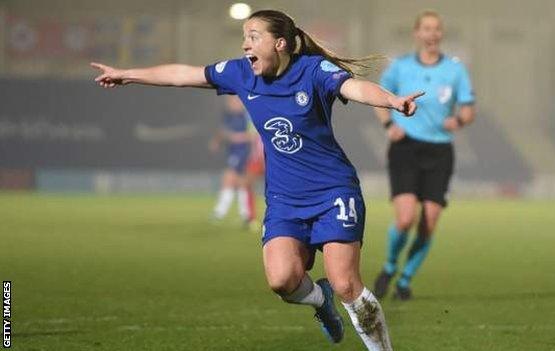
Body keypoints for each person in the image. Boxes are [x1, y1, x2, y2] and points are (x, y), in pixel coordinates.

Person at [91, 9, 424, 350]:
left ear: (279, 43)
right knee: (282, 280)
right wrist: (128, 74)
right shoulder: (240, 74)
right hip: (283, 199)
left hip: (332, 191)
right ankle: (320, 302)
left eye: (253, 36)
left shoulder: (312, 70)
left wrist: (392, 101)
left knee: (346, 284)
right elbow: (182, 74)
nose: (245, 44)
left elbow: (355, 87)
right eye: (244, 37)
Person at [372, 10, 476, 301]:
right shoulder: (401, 67)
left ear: (441, 34)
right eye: (426, 29)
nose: (431, 34)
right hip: (405, 148)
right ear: (417, 34)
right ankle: (390, 267)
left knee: (429, 222)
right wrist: (389, 124)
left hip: (439, 150)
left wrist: (460, 120)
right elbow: (379, 96)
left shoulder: (455, 70)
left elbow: (468, 107)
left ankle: (405, 281)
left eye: (436, 29)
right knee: (405, 219)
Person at [210, 95, 254, 224]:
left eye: (233, 101)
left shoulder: (247, 116)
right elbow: (223, 131)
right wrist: (217, 141)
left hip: (243, 151)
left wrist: (237, 137)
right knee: (240, 181)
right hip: (233, 151)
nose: (230, 103)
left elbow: (254, 135)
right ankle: (245, 214)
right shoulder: (229, 116)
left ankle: (220, 212)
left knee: (229, 177)